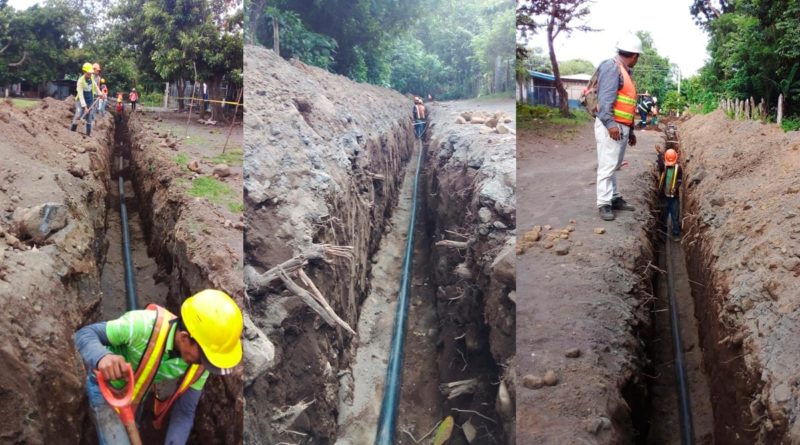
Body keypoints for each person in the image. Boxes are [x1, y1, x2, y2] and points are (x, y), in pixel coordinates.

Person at [74, 289, 243, 445]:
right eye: (205, 358)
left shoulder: (200, 364)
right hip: (105, 391)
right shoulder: (140, 326)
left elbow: (185, 413)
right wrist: (103, 357)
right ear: (185, 338)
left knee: (134, 427)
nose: (206, 365)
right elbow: (84, 334)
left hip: (137, 395)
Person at [594, 33, 642, 221]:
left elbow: (626, 104)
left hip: (621, 128)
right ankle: (604, 203)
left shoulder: (625, 71)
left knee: (614, 165)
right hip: (611, 127)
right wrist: (610, 124)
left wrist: (630, 130)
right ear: (635, 55)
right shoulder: (611, 68)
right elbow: (605, 100)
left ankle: (613, 198)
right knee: (607, 166)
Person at [657, 148, 682, 241]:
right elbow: (660, 166)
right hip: (664, 196)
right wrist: (659, 155)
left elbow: (680, 180)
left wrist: (675, 188)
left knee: (675, 216)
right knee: (664, 215)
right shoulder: (664, 167)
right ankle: (663, 233)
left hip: (674, 198)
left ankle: (676, 233)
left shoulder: (678, 168)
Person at [70, 62, 100, 136]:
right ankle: (72, 131)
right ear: (84, 72)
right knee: (79, 113)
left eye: (91, 73)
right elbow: (80, 95)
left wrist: (100, 93)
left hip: (90, 100)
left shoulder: (91, 78)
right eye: (88, 74)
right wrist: (85, 107)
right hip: (80, 101)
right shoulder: (80, 81)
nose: (90, 75)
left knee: (89, 117)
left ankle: (88, 134)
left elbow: (95, 86)